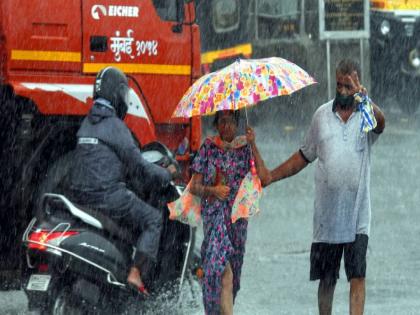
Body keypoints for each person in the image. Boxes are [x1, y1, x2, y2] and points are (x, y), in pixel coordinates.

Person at [269, 59, 385, 315]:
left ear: (356, 84)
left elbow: (381, 123)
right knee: (327, 280)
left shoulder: (365, 114)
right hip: (327, 219)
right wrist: (270, 176)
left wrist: (364, 98)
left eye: (348, 86)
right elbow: (303, 155)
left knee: (358, 277)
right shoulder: (321, 116)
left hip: (357, 218)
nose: (343, 90)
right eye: (339, 85)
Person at [68, 66, 175, 295]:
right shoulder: (116, 127)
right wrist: (167, 175)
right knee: (153, 219)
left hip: (81, 196)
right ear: (118, 94)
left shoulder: (87, 123)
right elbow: (138, 166)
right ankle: (136, 273)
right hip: (107, 197)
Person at [190, 110, 270, 315]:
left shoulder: (245, 148)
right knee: (219, 270)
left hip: (237, 219)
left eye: (231, 122)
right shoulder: (208, 147)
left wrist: (253, 143)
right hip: (215, 215)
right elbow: (194, 187)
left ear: (237, 124)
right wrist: (213, 191)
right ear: (216, 125)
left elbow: (263, 177)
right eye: (222, 122)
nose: (226, 127)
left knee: (233, 278)